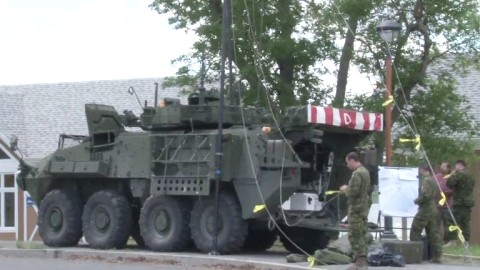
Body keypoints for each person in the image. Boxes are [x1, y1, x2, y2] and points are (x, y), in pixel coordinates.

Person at [340, 152, 370, 270]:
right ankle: (361, 261)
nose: (347, 165)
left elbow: (354, 191)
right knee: (362, 233)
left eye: (348, 162)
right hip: (363, 207)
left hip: (356, 208)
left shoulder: (357, 174)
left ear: (353, 160)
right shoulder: (365, 172)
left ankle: (360, 263)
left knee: (355, 235)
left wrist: (345, 189)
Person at [410, 164, 442, 263]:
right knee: (433, 233)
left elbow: (426, 195)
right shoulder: (434, 180)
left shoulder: (427, 180)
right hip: (433, 208)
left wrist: (418, 201)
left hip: (425, 209)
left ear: (424, 170)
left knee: (415, 230)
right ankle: (438, 255)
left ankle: (414, 254)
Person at [445, 160, 475, 246]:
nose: (455, 167)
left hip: (459, 202)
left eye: (456, 166)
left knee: (452, 221)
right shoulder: (471, 175)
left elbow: (449, 183)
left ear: (460, 165)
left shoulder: (460, 174)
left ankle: (452, 241)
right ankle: (466, 242)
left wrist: (452, 174)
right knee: (465, 222)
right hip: (468, 202)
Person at [434, 162, 455, 243]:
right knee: (435, 224)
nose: (441, 168)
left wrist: (444, 192)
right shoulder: (436, 177)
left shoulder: (451, 178)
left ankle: (448, 241)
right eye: (441, 166)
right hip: (437, 205)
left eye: (444, 167)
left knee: (448, 225)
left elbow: (453, 190)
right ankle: (436, 241)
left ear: (448, 169)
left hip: (447, 205)